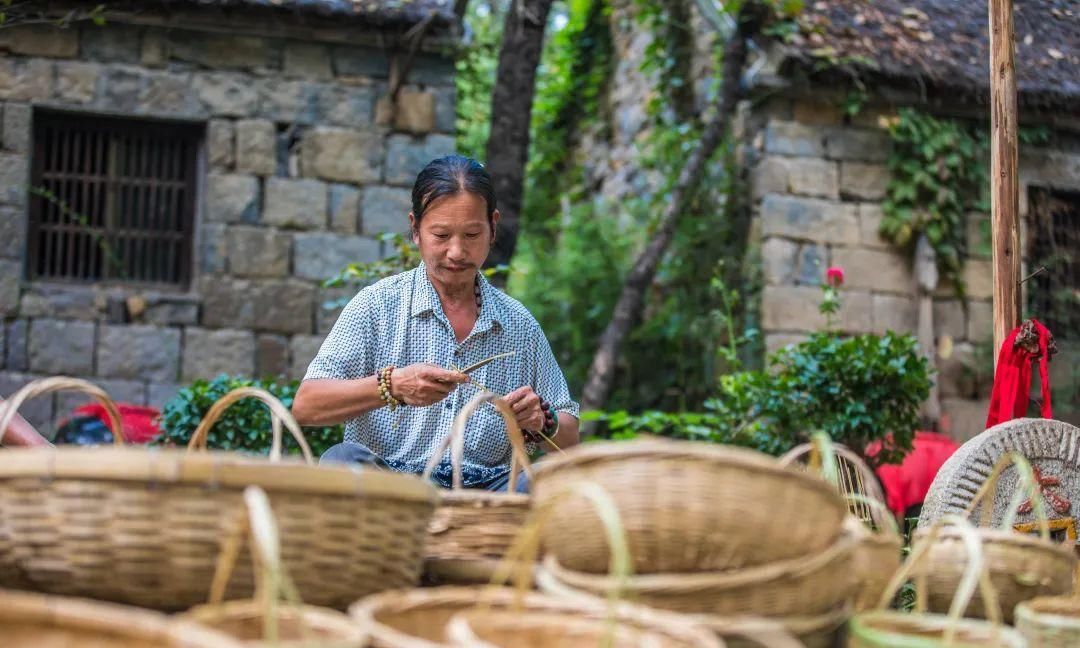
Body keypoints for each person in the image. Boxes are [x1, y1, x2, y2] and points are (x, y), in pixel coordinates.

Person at [292, 155, 580, 493]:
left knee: (547, 485)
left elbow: (571, 439)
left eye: (472, 234)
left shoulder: (518, 325)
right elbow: (306, 405)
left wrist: (540, 420)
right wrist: (392, 386)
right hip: (391, 489)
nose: (457, 252)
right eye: (441, 235)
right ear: (415, 229)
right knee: (341, 460)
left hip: (486, 492)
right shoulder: (377, 306)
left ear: (493, 227)